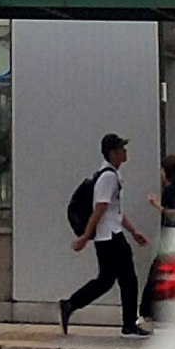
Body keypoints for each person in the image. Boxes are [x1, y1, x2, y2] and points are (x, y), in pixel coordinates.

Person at [61, 132, 145, 336]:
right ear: (112, 153)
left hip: (108, 235)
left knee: (106, 280)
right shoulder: (108, 177)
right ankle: (129, 324)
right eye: (121, 149)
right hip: (110, 237)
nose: (125, 152)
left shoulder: (110, 175)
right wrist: (85, 237)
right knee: (128, 280)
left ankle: (71, 304)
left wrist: (134, 231)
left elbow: (114, 212)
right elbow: (99, 209)